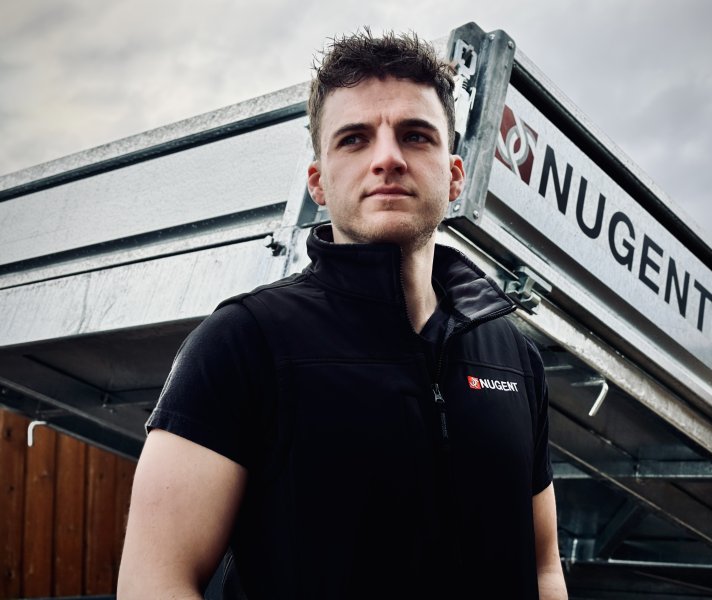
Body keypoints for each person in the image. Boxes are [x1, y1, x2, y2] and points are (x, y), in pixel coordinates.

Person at [118, 30, 567, 600]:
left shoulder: (515, 359)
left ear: (454, 175)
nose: (388, 159)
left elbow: (543, 566)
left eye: (416, 135)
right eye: (355, 139)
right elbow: (154, 581)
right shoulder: (243, 343)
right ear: (319, 183)